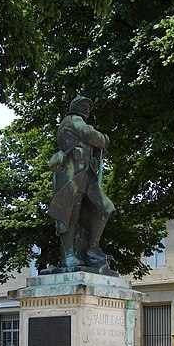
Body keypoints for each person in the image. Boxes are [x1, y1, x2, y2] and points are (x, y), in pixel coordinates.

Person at [48, 96, 115, 270]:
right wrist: (104, 139)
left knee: (105, 207)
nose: (86, 109)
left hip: (87, 173)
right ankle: (69, 255)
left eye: (88, 107)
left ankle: (92, 248)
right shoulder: (72, 120)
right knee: (71, 213)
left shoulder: (78, 123)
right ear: (74, 107)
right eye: (82, 105)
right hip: (72, 172)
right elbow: (91, 135)